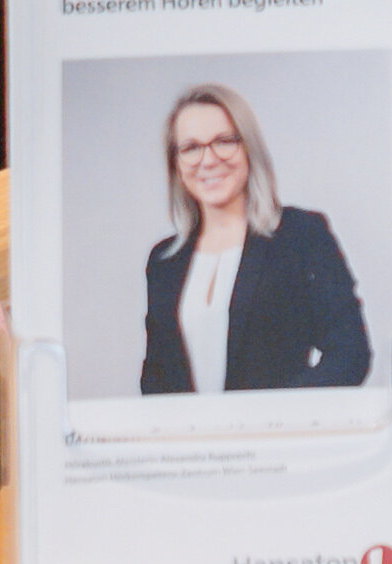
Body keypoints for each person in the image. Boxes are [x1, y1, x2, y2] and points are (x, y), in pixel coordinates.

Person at [134, 83, 365, 393]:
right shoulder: (164, 261)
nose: (208, 160)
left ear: (249, 148)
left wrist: (278, 414)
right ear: (175, 162)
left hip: (280, 425)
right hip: (192, 428)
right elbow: (155, 380)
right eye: (190, 148)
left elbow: (350, 354)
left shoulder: (300, 235)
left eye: (224, 141)